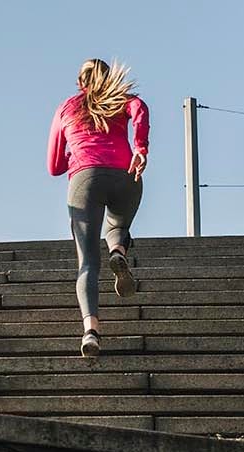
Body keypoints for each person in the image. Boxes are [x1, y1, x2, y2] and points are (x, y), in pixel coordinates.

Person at [46, 58, 149, 357]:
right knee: (117, 225)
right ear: (108, 77)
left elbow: (53, 166)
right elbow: (139, 108)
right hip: (127, 175)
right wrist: (140, 148)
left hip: (85, 179)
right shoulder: (122, 100)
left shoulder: (67, 107)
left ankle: (91, 331)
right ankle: (118, 251)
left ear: (80, 82)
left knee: (88, 262)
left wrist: (74, 152)